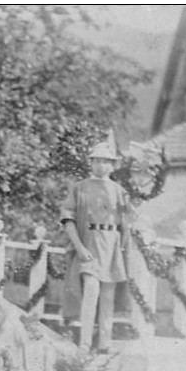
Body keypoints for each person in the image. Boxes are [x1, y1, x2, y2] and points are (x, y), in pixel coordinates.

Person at [60, 141, 136, 353]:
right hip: (90, 243)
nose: (102, 166)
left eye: (106, 162)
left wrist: (122, 248)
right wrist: (80, 247)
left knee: (108, 297)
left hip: (111, 245)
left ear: (113, 166)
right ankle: (84, 343)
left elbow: (127, 222)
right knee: (91, 292)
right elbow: (68, 219)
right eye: (98, 161)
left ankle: (104, 343)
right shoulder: (80, 188)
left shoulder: (119, 191)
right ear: (91, 163)